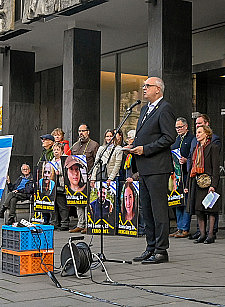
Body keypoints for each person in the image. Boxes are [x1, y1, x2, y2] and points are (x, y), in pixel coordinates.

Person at [131, 77, 176, 264]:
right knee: (146, 209)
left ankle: (161, 250)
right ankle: (150, 247)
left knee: (158, 209)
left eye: (147, 86)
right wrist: (133, 147)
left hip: (157, 167)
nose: (144, 89)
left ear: (158, 89)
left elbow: (169, 137)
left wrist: (146, 149)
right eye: (143, 86)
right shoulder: (144, 109)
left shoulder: (165, 108)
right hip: (144, 167)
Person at [187, 114, 221, 240]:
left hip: (209, 182)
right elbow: (191, 167)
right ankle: (202, 234)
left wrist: (213, 185)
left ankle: (211, 234)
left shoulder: (213, 147)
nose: (197, 134)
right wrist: (188, 184)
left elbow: (216, 168)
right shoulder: (196, 148)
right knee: (199, 210)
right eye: (196, 132)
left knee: (211, 210)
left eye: (200, 132)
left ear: (206, 134)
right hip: (198, 182)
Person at [69, 123, 99, 234]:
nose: (81, 133)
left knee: (87, 202)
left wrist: (93, 176)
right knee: (78, 202)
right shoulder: (75, 146)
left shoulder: (94, 145)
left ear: (88, 132)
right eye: (79, 131)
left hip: (88, 177)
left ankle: (88, 224)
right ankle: (80, 224)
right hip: (76, 178)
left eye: (83, 131)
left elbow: (97, 162)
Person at [169, 117, 194, 238]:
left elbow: (193, 155)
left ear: (186, 126)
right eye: (176, 127)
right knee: (177, 200)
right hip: (176, 175)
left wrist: (186, 160)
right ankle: (179, 227)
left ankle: (185, 228)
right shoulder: (176, 139)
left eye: (180, 127)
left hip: (186, 174)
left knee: (186, 201)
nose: (178, 129)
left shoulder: (191, 138)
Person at [51, 142, 69, 231]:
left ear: (62, 151)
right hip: (53, 186)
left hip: (62, 184)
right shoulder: (52, 161)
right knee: (53, 205)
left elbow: (68, 172)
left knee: (62, 205)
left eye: (58, 150)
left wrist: (59, 172)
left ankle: (64, 223)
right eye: (54, 150)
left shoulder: (65, 160)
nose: (56, 152)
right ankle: (54, 222)